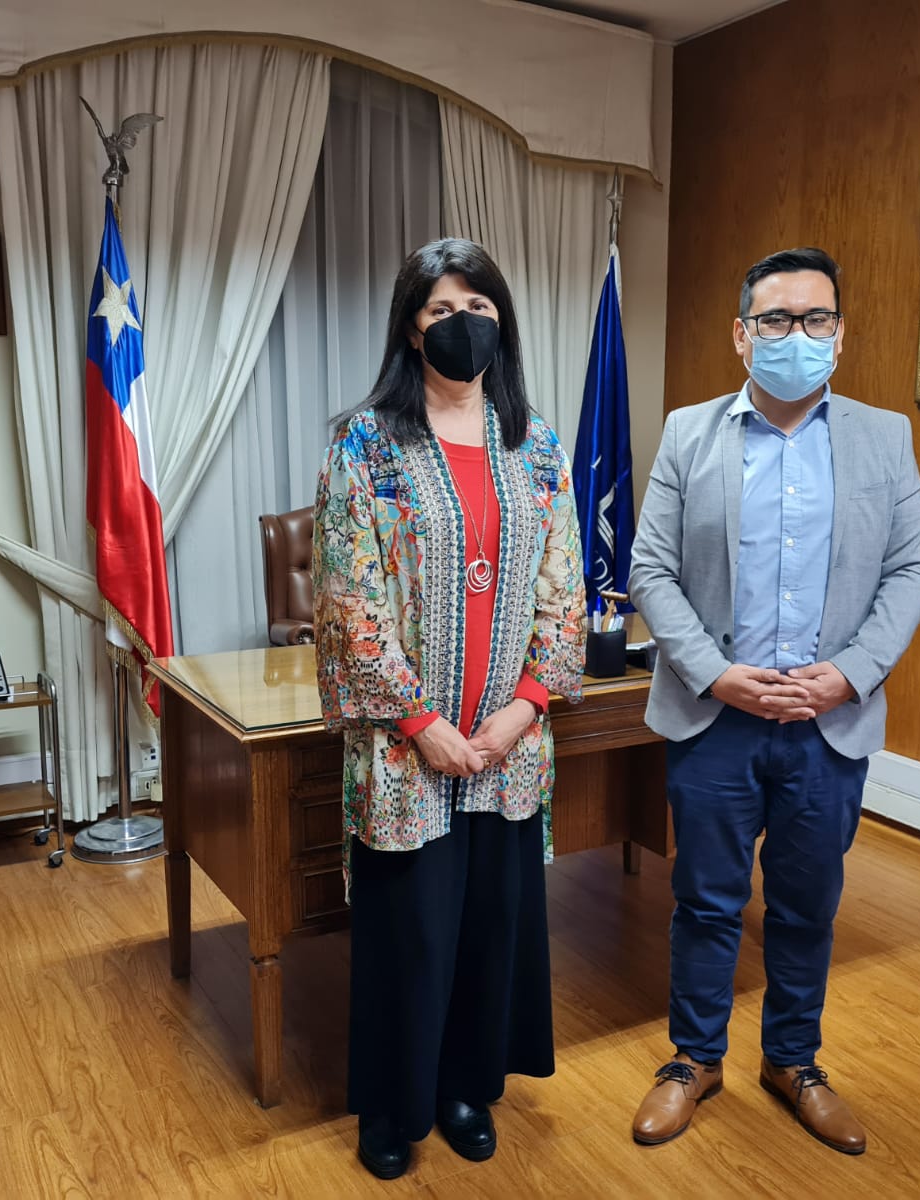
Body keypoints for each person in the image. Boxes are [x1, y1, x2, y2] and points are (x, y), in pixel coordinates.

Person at [627, 247, 920, 1155]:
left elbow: (913, 568)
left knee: (807, 906)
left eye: (815, 319)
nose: (796, 335)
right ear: (742, 333)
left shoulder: (884, 437)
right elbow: (650, 569)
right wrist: (713, 672)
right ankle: (694, 1059)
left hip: (825, 723)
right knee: (706, 901)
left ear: (839, 335)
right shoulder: (689, 433)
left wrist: (852, 671)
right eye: (776, 319)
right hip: (715, 719)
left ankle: (794, 1061)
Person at [312, 238, 587, 1181]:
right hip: (407, 752)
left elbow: (564, 589)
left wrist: (524, 708)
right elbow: (348, 601)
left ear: (500, 321)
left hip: (509, 747)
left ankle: (468, 1087)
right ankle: (394, 1104)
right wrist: (421, 723)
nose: (460, 323)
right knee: (410, 931)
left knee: (489, 925)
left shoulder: (534, 442)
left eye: (477, 307)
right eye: (439, 309)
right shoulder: (366, 443)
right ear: (409, 327)